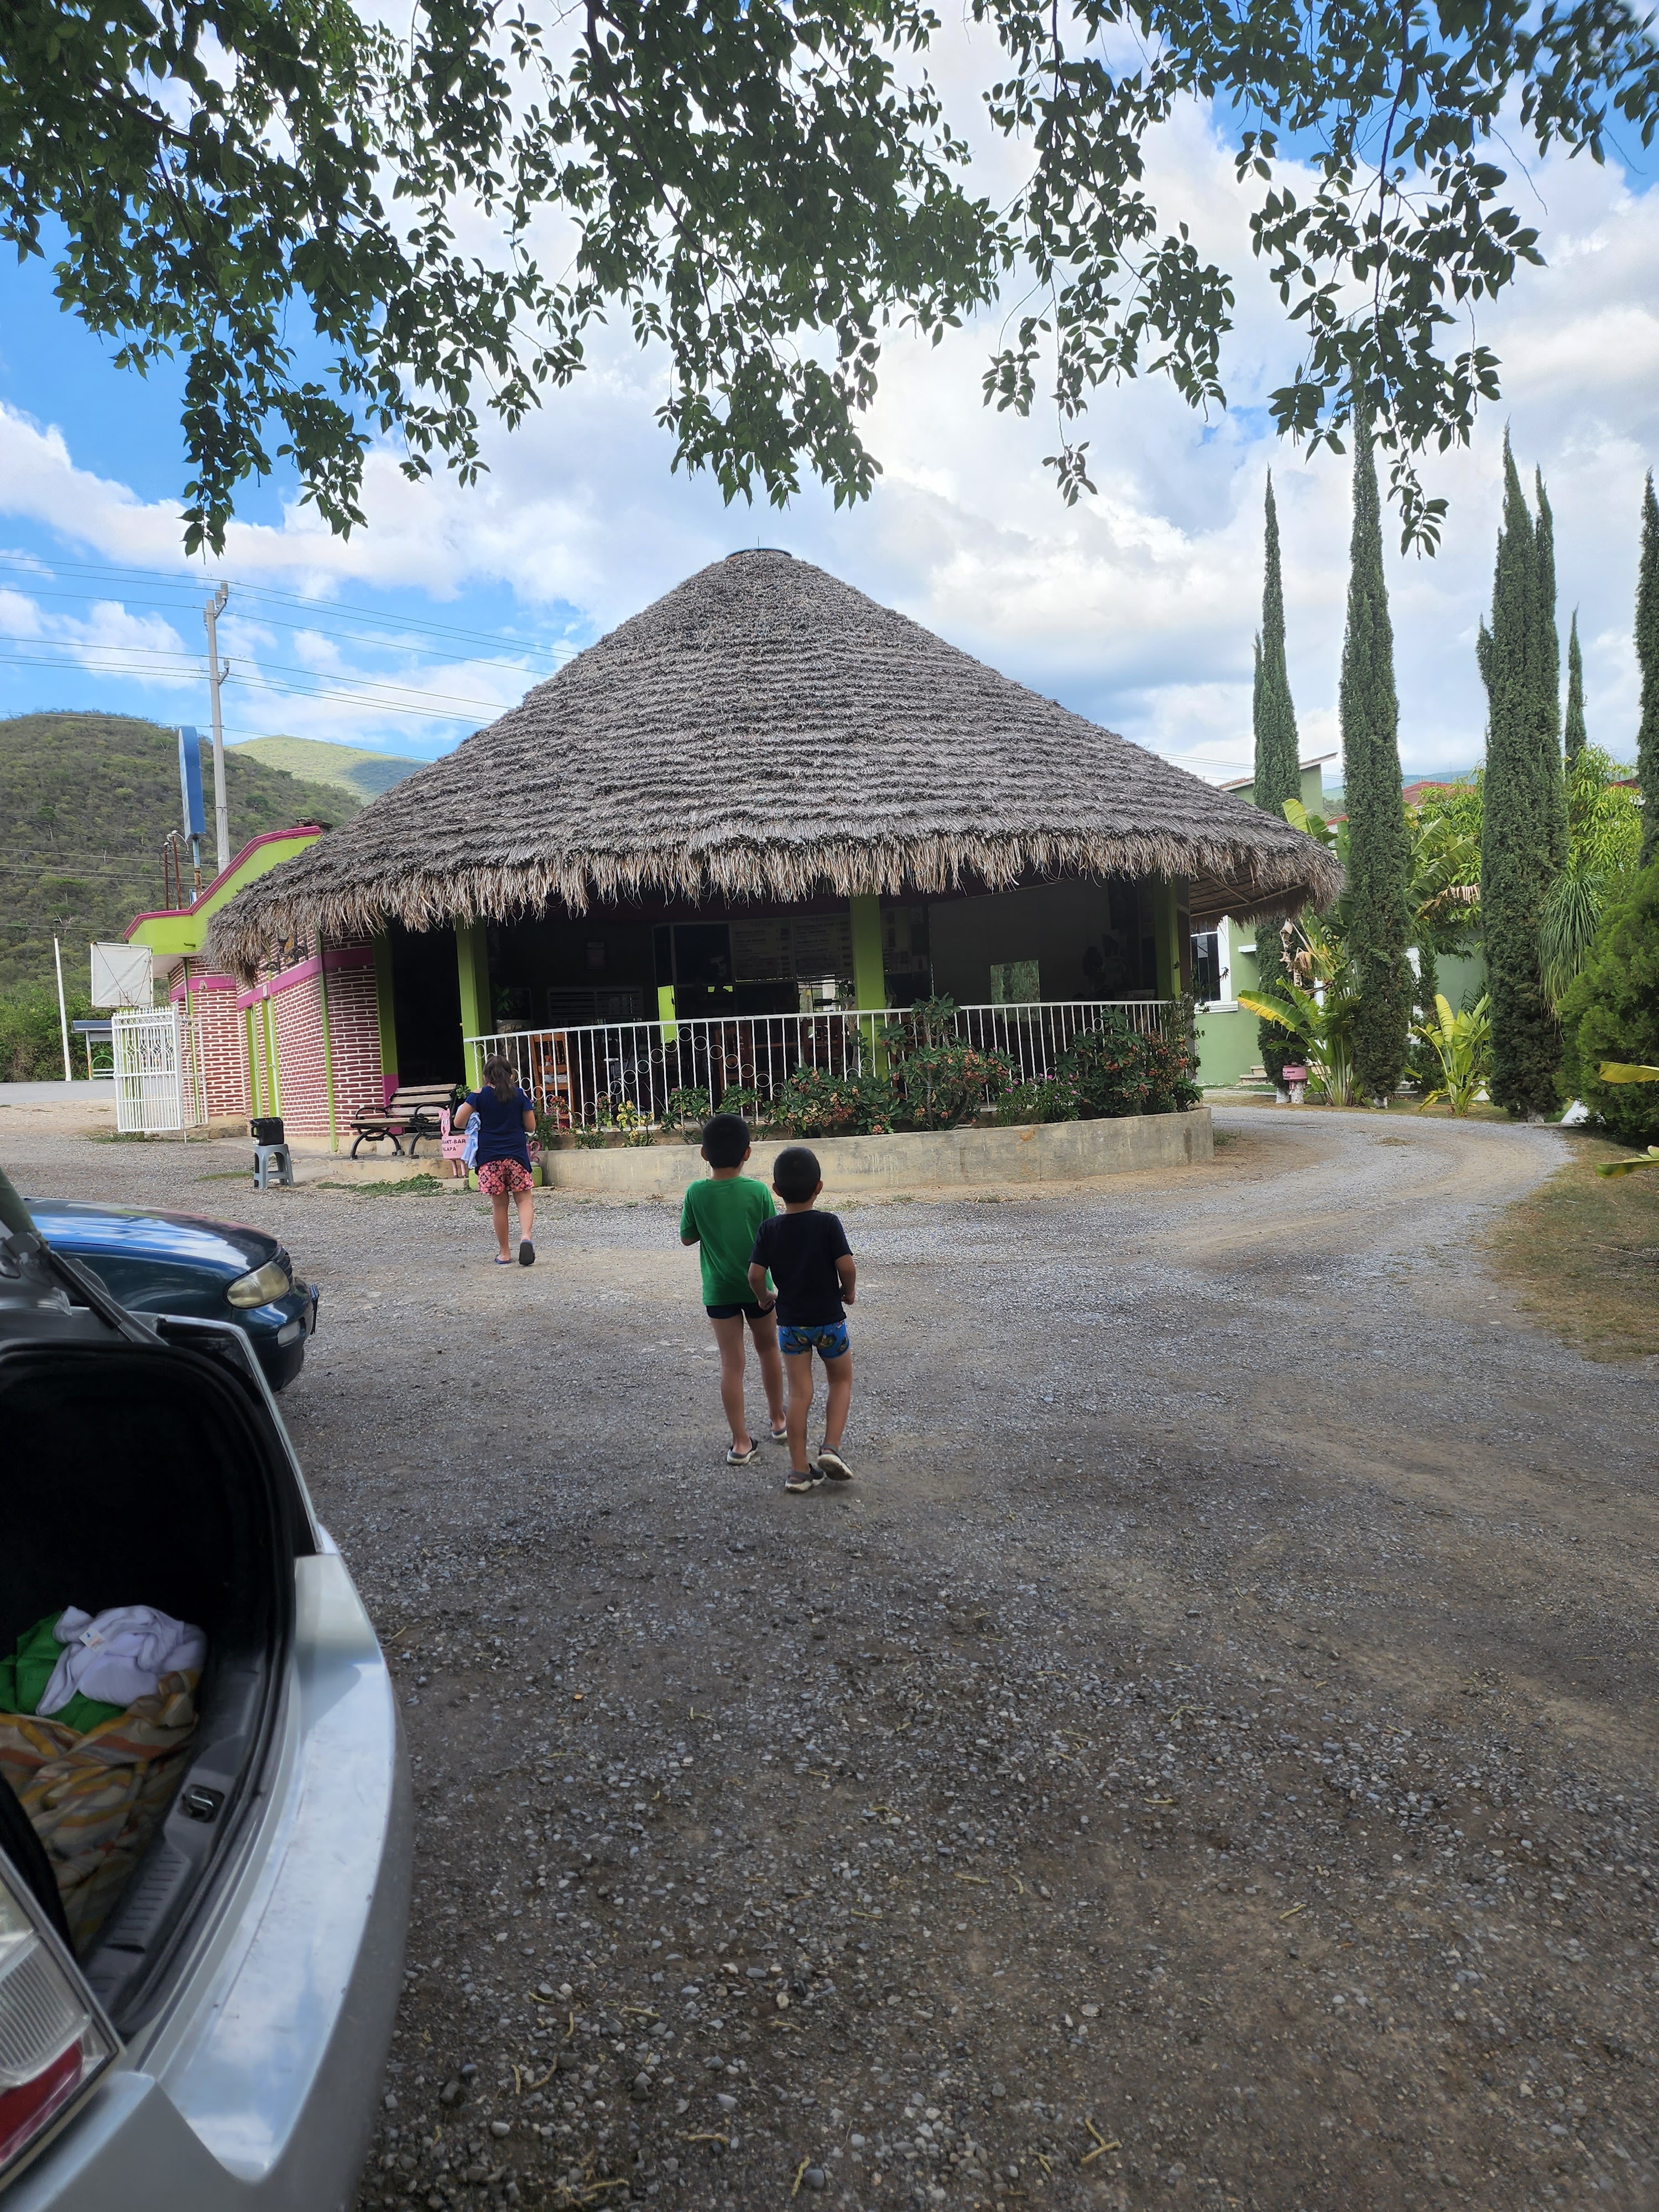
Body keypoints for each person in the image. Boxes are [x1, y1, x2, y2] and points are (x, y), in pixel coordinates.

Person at [747, 1145, 855, 1493]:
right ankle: (830, 1448)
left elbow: (754, 1274)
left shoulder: (769, 1229)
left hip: (790, 1325)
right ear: (819, 1188)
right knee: (840, 1381)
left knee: (799, 1393)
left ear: (776, 1191)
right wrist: (848, 1291)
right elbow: (846, 1266)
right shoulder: (828, 1224)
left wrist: (765, 1297)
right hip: (829, 1322)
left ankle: (797, 1471)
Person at [679, 1113, 786, 1465]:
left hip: (719, 1291)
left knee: (731, 1363)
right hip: (760, 1290)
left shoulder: (696, 1192)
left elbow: (687, 1237)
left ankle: (740, 1443)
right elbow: (773, 1238)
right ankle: (779, 1421)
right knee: (769, 1350)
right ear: (748, 1153)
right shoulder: (757, 1191)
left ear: (704, 1154)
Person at [455, 1055, 537, 1265]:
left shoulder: (479, 1096)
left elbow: (458, 1122)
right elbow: (531, 1127)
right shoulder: (519, 1095)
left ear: (485, 1077)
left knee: (500, 1205)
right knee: (524, 1199)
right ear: (511, 1076)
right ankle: (526, 1237)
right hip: (516, 1155)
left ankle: (505, 1253)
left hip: (490, 1158)